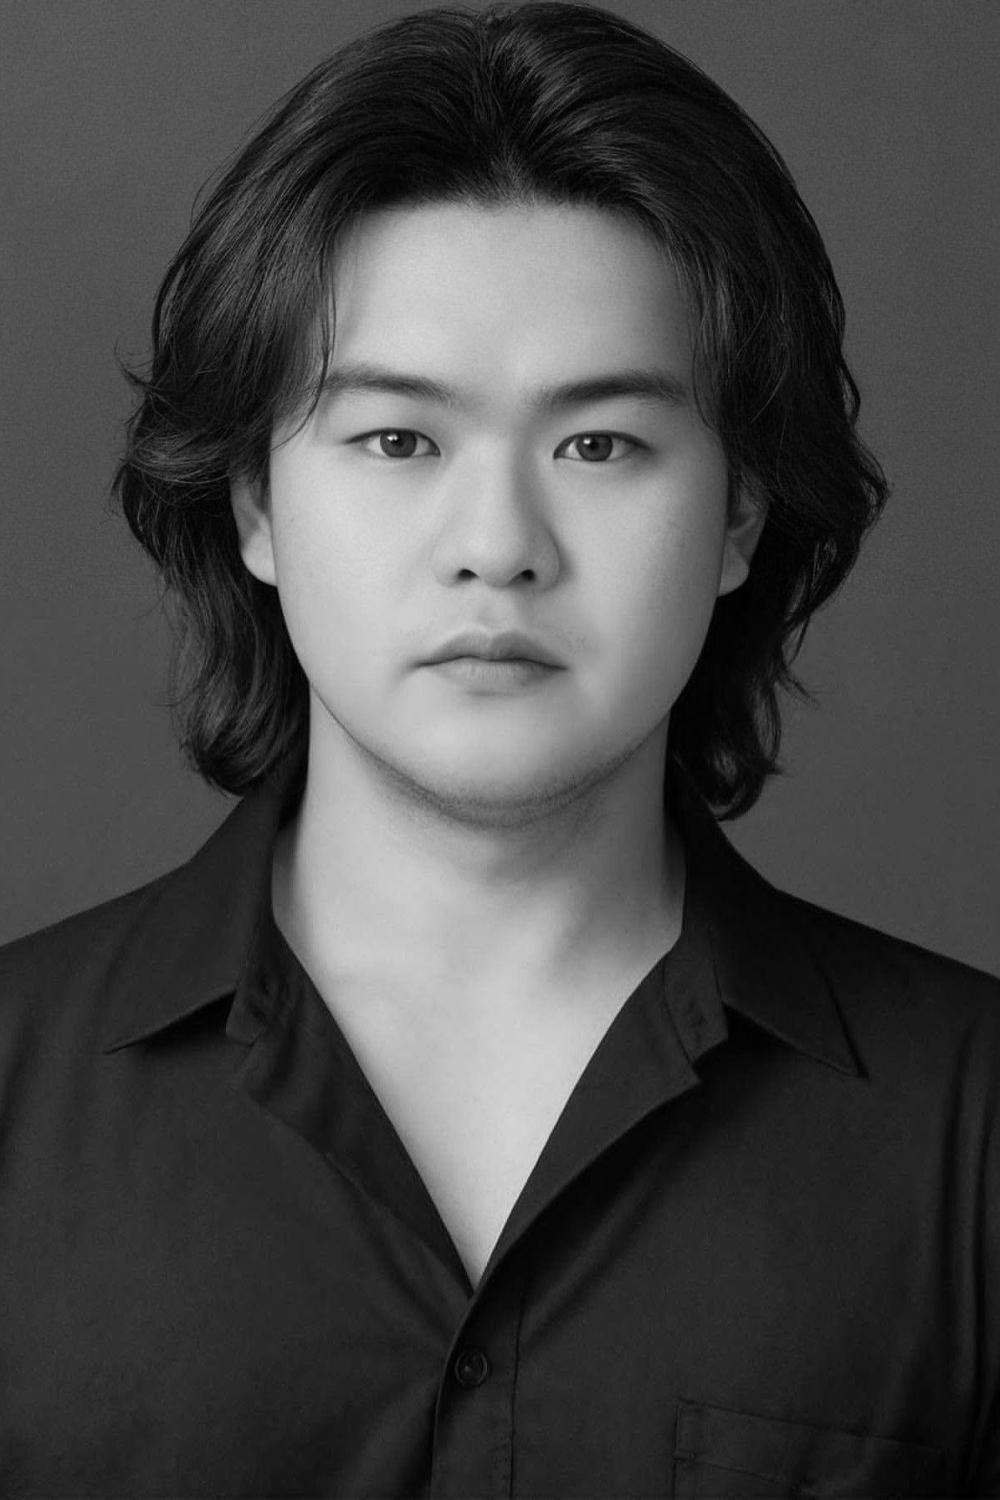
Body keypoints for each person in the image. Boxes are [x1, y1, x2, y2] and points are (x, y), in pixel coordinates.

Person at [1, 2, 996, 1495]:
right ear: (256, 504)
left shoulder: (972, 1127)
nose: (498, 545)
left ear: (739, 514)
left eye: (600, 444)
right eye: (398, 439)